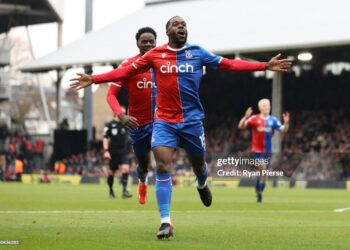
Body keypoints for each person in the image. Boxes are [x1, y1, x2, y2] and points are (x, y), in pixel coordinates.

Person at [70, 16, 293, 239]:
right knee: (163, 167)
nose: (181, 27)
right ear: (167, 31)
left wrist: (264, 65)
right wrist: (95, 78)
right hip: (164, 121)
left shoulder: (197, 52)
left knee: (198, 165)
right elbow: (124, 73)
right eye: (176, 25)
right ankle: (165, 221)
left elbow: (229, 64)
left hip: (191, 122)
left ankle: (202, 182)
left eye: (184, 25)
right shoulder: (154, 55)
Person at [106, 27, 157, 204]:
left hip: (162, 122)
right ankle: (142, 181)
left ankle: (165, 216)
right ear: (137, 43)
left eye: (152, 41)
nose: (149, 44)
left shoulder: (164, 63)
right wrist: (121, 115)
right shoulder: (128, 65)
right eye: (145, 41)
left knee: (164, 162)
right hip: (138, 125)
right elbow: (110, 94)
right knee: (144, 164)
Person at [238, 98, 290, 202]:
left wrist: (287, 123)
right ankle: (259, 191)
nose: (267, 107)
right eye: (265, 106)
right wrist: (245, 117)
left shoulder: (273, 120)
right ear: (260, 108)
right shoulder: (254, 118)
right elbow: (241, 126)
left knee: (263, 174)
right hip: (256, 151)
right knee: (263, 169)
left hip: (268, 152)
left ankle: (259, 191)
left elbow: (283, 130)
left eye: (268, 105)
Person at [103, 110, 132, 199]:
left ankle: (124, 191)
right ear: (116, 113)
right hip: (113, 152)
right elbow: (105, 138)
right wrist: (106, 151)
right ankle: (111, 191)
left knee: (126, 168)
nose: (124, 114)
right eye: (122, 113)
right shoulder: (109, 125)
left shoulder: (125, 124)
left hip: (123, 151)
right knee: (112, 172)